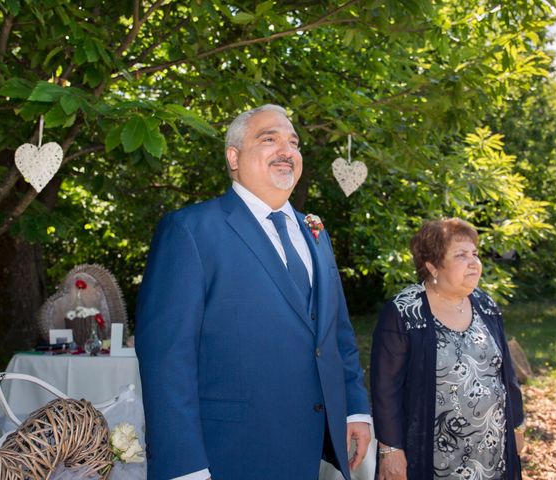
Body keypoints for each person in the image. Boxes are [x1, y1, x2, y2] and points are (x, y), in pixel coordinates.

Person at [135, 104, 371, 480]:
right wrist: (182, 465)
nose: (286, 150)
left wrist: (355, 408)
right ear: (233, 156)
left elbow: (335, 330)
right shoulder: (191, 231)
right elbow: (167, 359)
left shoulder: (314, 231)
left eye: (293, 142)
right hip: (228, 453)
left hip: (307, 452)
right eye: (269, 139)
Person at [370, 218, 525, 480]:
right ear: (433, 265)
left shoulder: (485, 304)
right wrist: (390, 450)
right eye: (461, 255)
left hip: (492, 452)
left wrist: (518, 426)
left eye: (475, 254)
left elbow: (506, 373)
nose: (474, 262)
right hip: (432, 456)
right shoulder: (405, 311)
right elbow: (386, 388)